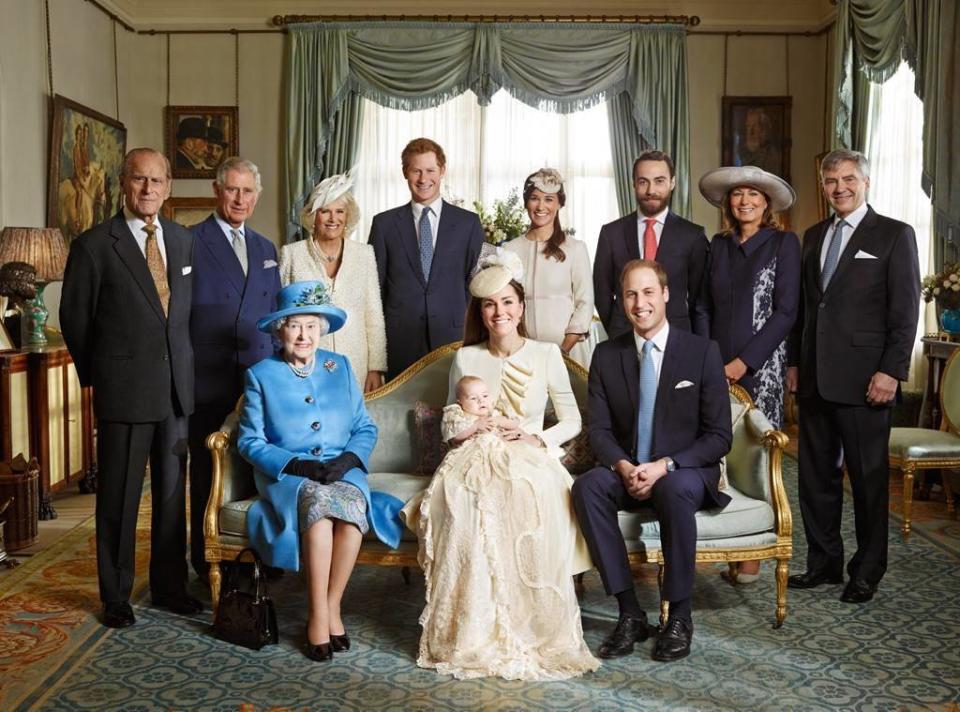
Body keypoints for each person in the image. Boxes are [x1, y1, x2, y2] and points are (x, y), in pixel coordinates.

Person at [401, 252, 598, 681]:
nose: (499, 312)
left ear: (521, 307)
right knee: (466, 504)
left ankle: (530, 627)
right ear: (480, 312)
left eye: (507, 302)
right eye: (489, 304)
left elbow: (572, 420)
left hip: (529, 453)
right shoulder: (467, 357)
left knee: (527, 497)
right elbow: (453, 417)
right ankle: (474, 629)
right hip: (475, 452)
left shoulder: (547, 354)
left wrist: (536, 437)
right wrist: (469, 428)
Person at [60, 147, 200, 628]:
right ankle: (116, 596)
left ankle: (168, 586)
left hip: (176, 391)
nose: (148, 190)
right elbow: (75, 321)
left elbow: (184, 317)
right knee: (118, 498)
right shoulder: (96, 245)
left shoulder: (182, 241)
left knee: (170, 496)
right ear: (123, 183)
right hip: (125, 390)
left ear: (168, 187)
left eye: (157, 181)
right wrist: (104, 376)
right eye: (139, 180)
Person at [572, 260, 732, 662]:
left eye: (647, 292)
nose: (639, 302)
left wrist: (665, 466)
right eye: (630, 294)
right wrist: (624, 467)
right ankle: (630, 613)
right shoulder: (607, 356)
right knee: (587, 486)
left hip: (683, 472)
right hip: (629, 469)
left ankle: (678, 616)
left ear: (665, 295)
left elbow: (719, 437)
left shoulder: (702, 352)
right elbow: (601, 432)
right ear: (621, 301)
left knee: (676, 489)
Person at [237, 280, 403, 662]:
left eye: (311, 326)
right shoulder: (262, 374)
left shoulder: (339, 367)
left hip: (342, 469)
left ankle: (331, 607)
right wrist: (295, 464)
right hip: (292, 475)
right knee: (320, 513)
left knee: (348, 517)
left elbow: (364, 427)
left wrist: (348, 461)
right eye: (294, 325)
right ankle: (317, 615)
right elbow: (248, 441)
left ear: (322, 330)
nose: (304, 335)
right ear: (279, 331)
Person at [786, 149, 920, 604]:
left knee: (867, 479)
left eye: (847, 179)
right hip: (815, 377)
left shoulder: (894, 235)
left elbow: (905, 311)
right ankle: (823, 562)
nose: (839, 187)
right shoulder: (813, 235)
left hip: (867, 381)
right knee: (815, 477)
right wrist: (794, 363)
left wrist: (891, 371)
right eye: (830, 180)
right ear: (822, 185)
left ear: (865, 181)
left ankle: (867, 570)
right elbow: (807, 307)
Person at [695, 165, 801, 584]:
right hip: (716, 367)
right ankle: (730, 536)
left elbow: (786, 312)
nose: (745, 201)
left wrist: (744, 363)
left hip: (763, 368)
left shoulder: (783, 244)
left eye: (754, 195)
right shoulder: (717, 246)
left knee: (758, 455)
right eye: (738, 194)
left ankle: (754, 551)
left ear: (766, 202)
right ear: (728, 202)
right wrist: (711, 360)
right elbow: (702, 305)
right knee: (719, 451)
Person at [188, 156, 281, 582]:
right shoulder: (190, 241)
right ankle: (209, 558)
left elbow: (275, 314)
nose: (240, 199)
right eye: (232, 189)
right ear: (217, 190)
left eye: (248, 191)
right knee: (209, 472)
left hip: (259, 376)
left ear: (257, 197)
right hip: (209, 377)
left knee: (256, 468)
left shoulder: (265, 248)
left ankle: (259, 556)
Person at [368, 137, 485, 379]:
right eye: (416, 171)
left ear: (442, 170)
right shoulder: (384, 225)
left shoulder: (468, 223)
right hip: (400, 342)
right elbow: (374, 292)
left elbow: (477, 287)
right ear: (405, 173)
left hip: (454, 339)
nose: (423, 179)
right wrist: (375, 360)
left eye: (430, 170)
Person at [280, 173, 387, 392]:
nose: (333, 218)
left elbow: (374, 314)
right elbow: (281, 315)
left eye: (340, 211)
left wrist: (376, 368)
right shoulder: (292, 254)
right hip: (306, 361)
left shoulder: (365, 254)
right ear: (313, 216)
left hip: (356, 363)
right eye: (325, 211)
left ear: (348, 217)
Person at [594, 150, 709, 339]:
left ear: (672, 183)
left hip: (677, 338)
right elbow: (602, 294)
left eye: (659, 181)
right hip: (624, 338)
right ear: (633, 184)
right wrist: (620, 330)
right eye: (643, 182)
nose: (651, 190)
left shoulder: (693, 236)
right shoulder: (610, 234)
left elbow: (700, 301)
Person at [502, 168, 594, 368]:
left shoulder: (575, 249)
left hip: (568, 353)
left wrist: (563, 351)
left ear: (560, 203)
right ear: (526, 202)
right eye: (535, 198)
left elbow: (584, 303)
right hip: (523, 354)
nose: (540, 206)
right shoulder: (510, 249)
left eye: (549, 199)